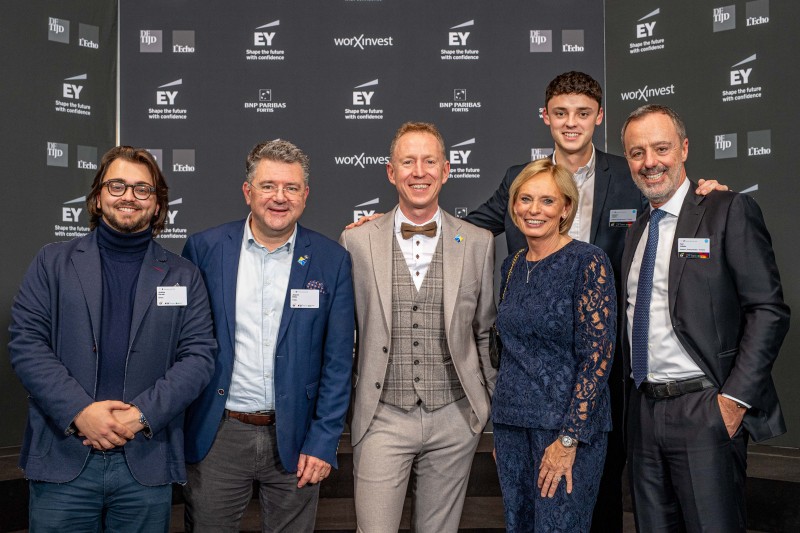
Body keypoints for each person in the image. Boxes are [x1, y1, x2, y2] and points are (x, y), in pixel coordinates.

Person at [465, 71, 725, 532]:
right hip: (530, 382)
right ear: (545, 117)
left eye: (582, 113)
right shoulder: (520, 181)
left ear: (598, 117)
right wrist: (393, 223)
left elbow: (672, 204)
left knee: (599, 489)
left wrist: (706, 200)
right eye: (561, 113)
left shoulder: (629, 172)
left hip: (611, 357)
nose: (571, 123)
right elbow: (466, 228)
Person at [8, 146, 217, 531]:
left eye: (142, 189)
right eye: (117, 185)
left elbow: (199, 357)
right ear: (97, 197)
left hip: (146, 458)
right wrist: (80, 412)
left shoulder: (183, 275)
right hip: (64, 454)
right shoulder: (52, 262)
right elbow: (27, 343)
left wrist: (140, 416)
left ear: (157, 204)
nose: (128, 196)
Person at [620, 104, 790, 532]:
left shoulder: (726, 210)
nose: (650, 162)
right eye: (637, 153)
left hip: (704, 409)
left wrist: (732, 403)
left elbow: (768, 310)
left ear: (684, 149)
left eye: (661, 148)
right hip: (643, 412)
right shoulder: (637, 229)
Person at [181, 139, 354, 532]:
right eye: (268, 186)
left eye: (291, 187)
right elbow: (186, 345)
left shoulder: (331, 260)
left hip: (297, 438)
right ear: (248, 192)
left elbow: (338, 362)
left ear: (305, 195)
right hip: (218, 434)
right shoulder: (204, 249)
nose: (280, 197)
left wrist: (323, 439)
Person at [339, 122, 496, 532]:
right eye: (408, 162)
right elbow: (344, 334)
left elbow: (485, 333)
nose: (419, 172)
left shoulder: (478, 242)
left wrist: (492, 413)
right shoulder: (356, 241)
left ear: (446, 171)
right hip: (382, 416)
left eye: (429, 162)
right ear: (391, 172)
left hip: (455, 416)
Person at [492, 158, 616, 532]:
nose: (534, 210)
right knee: (519, 525)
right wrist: (503, 428)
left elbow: (597, 358)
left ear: (565, 208)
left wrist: (568, 438)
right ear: (514, 205)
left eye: (547, 200)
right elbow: (510, 353)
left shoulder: (587, 261)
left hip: (565, 432)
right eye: (525, 199)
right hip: (512, 427)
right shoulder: (512, 265)